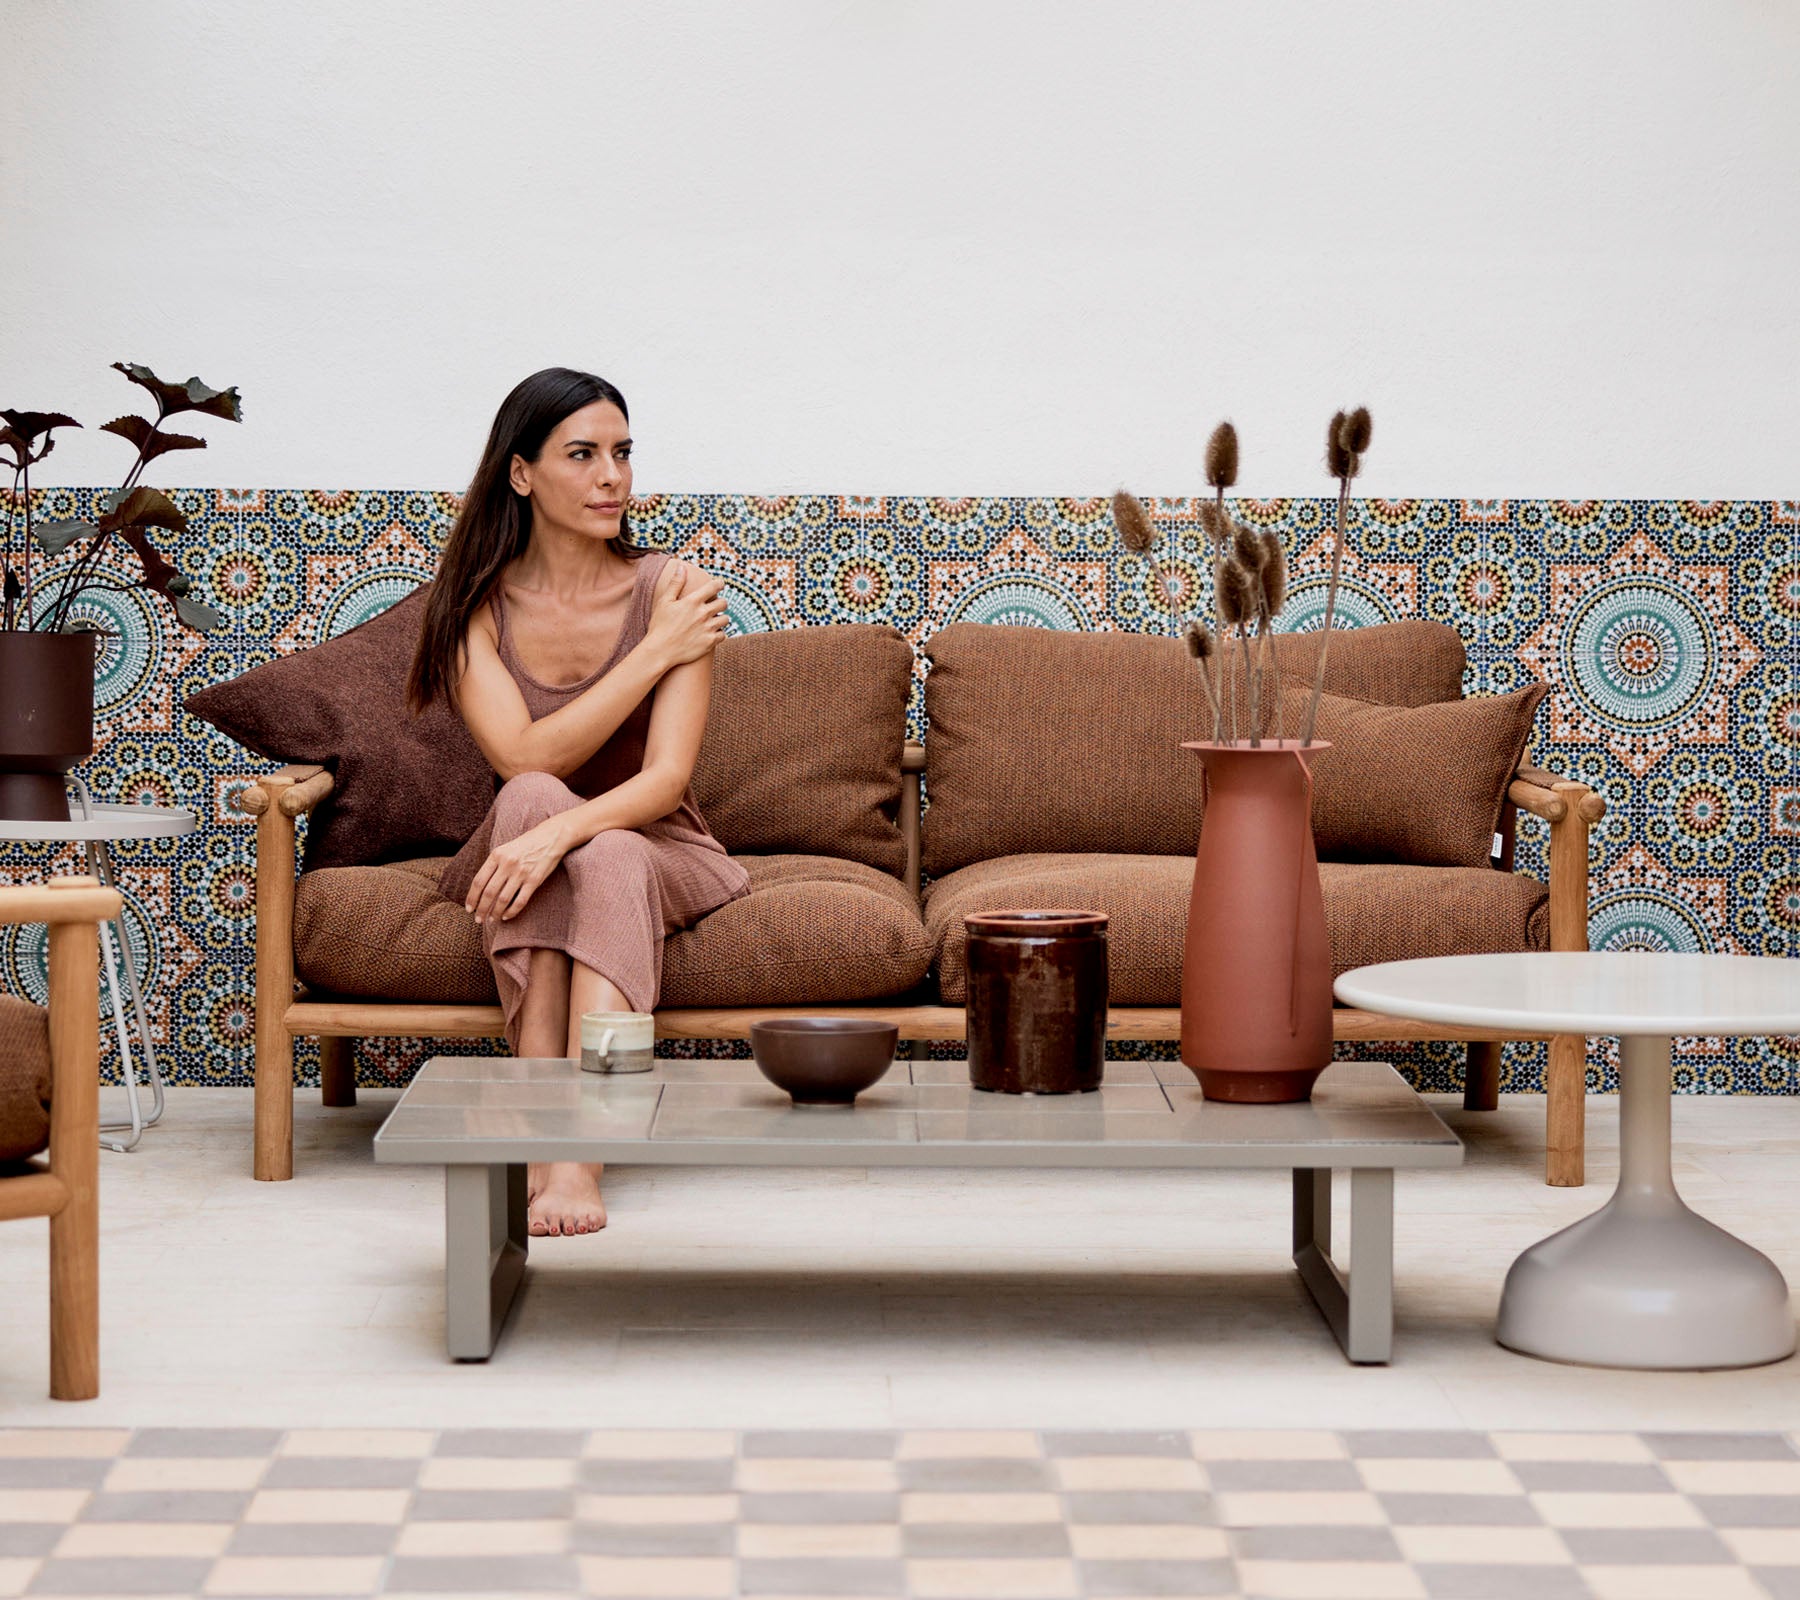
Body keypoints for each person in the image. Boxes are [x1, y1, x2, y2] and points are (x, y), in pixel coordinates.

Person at [407, 368, 747, 1236]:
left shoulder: (674, 592)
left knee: (609, 847)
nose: (612, 478)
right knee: (528, 791)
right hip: (526, 833)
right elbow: (522, 755)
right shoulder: (475, 606)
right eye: (583, 455)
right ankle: (543, 1119)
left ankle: (574, 1153)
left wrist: (561, 834)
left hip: (658, 841)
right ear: (521, 473)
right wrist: (652, 654)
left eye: (623, 454)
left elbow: (665, 780)